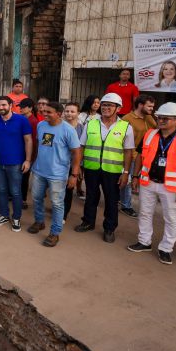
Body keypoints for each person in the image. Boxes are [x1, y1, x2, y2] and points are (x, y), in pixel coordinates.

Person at [127, 102, 176, 264]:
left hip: (171, 186)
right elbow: (140, 157)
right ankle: (144, 242)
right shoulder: (150, 134)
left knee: (171, 218)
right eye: (159, 117)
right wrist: (135, 177)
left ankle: (166, 248)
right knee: (145, 212)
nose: (161, 120)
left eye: (166, 118)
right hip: (148, 182)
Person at [76, 92, 135, 243]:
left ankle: (109, 228)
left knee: (111, 200)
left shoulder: (126, 127)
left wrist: (126, 172)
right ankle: (88, 222)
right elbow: (82, 146)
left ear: (118, 108)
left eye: (110, 105)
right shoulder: (91, 123)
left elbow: (128, 152)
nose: (106, 108)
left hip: (113, 171)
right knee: (91, 197)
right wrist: (78, 166)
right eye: (104, 105)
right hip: (92, 168)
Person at [28, 101, 82, 247]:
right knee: (37, 198)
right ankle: (39, 222)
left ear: (59, 114)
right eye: (44, 111)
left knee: (57, 204)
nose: (44, 114)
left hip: (58, 175)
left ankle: (55, 233)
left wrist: (74, 175)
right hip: (39, 171)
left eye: (48, 112)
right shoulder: (41, 125)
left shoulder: (68, 130)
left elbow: (77, 153)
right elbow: (41, 146)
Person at [0, 96, 33, 232]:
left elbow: (28, 140)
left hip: (16, 163)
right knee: (1, 190)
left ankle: (16, 217)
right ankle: (4, 214)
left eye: (3, 105)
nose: (1, 108)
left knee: (15, 191)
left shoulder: (22, 120)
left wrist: (28, 160)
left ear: (11, 105)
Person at [119, 94, 157, 217]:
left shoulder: (149, 118)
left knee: (134, 181)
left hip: (145, 157)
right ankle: (126, 206)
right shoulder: (127, 118)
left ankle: (121, 199)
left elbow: (156, 132)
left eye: (153, 106)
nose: (152, 109)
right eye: (149, 106)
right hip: (132, 155)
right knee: (128, 180)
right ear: (140, 105)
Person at [62, 102, 85, 222]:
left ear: (78, 113)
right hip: (59, 163)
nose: (69, 114)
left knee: (68, 190)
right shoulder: (59, 125)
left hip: (72, 164)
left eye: (72, 111)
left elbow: (81, 149)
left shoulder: (81, 128)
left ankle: (64, 214)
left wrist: (79, 167)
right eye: (67, 111)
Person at [18, 97, 39, 208]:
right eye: (20, 107)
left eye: (23, 107)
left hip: (28, 154)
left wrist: (31, 158)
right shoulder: (21, 119)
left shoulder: (34, 121)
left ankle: (23, 199)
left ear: (30, 108)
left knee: (24, 177)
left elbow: (34, 141)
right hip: (19, 152)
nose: (21, 109)